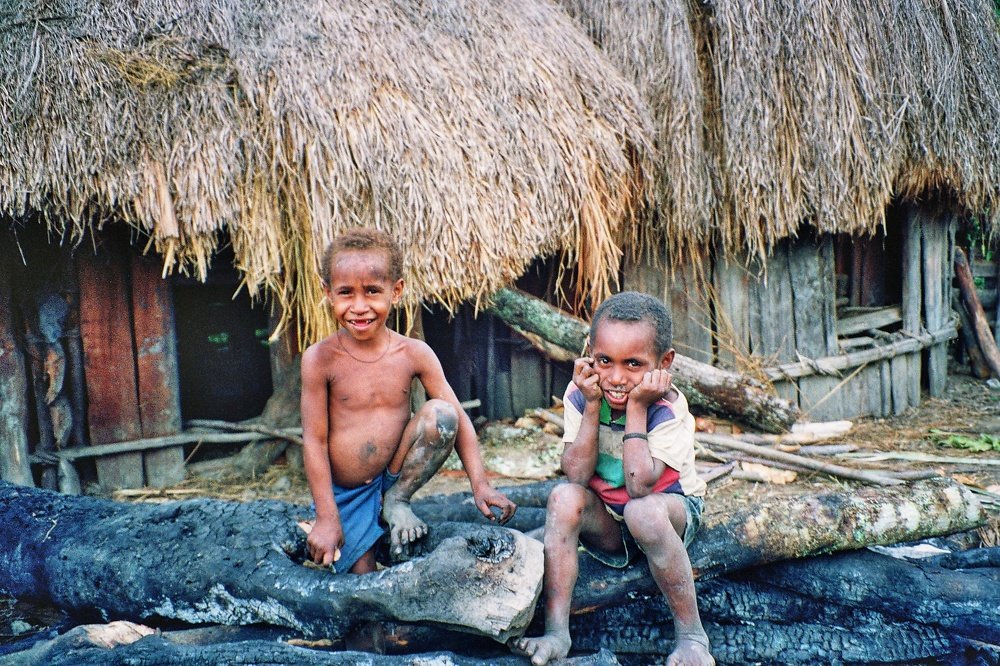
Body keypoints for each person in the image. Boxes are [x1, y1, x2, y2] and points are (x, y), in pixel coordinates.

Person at [512, 291, 713, 666]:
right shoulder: (582, 394)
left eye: (633, 364)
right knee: (563, 498)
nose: (617, 377)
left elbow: (639, 486)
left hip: (668, 514)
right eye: (605, 360)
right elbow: (576, 475)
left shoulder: (667, 409)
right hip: (610, 519)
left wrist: (636, 406)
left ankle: (692, 636)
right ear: (590, 352)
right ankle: (557, 633)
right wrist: (592, 405)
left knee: (642, 512)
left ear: (664, 362)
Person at [300, 228, 516, 574]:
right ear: (328, 293)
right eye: (346, 293)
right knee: (363, 580)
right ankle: (363, 527)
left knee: (442, 414)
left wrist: (480, 485)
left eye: (372, 291)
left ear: (396, 291)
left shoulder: (413, 353)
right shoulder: (320, 359)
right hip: (346, 494)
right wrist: (326, 518)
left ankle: (397, 502)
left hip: (393, 477)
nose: (359, 306)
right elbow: (314, 440)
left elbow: (459, 420)